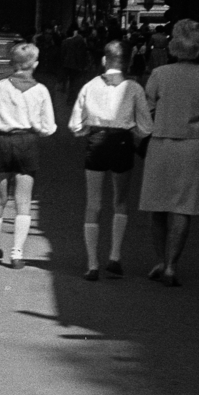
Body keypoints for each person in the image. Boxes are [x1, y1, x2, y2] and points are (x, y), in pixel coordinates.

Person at [139, 19, 199, 287]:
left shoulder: (160, 74)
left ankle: (160, 259)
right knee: (182, 207)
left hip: (161, 142)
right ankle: (171, 265)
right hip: (194, 145)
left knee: (156, 206)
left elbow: (146, 110)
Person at [68, 40, 152, 280]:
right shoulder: (134, 88)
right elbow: (146, 127)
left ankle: (92, 264)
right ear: (126, 62)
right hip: (122, 142)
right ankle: (115, 257)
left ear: (104, 60)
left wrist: (88, 130)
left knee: (93, 203)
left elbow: (75, 124)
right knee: (121, 201)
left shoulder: (90, 85)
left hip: (96, 142)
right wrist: (131, 130)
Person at [0, 42, 56, 268]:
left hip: (3, 142)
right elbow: (48, 127)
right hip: (28, 142)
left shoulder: (0, 87)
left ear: (11, 63)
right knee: (23, 201)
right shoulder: (41, 90)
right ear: (35, 64)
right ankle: (17, 254)